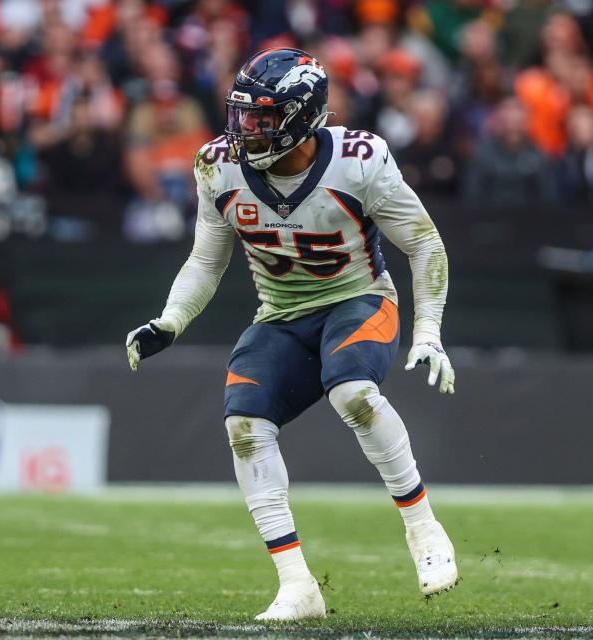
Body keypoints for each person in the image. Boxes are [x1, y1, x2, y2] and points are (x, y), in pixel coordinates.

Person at [125, 48, 458, 621]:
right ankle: (297, 584)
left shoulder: (359, 159)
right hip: (280, 313)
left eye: (261, 117)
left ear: (302, 117)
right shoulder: (217, 165)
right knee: (244, 423)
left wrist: (428, 330)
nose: (245, 128)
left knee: (352, 391)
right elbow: (206, 261)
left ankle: (424, 529)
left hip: (358, 299)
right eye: (241, 114)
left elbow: (424, 242)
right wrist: (170, 320)